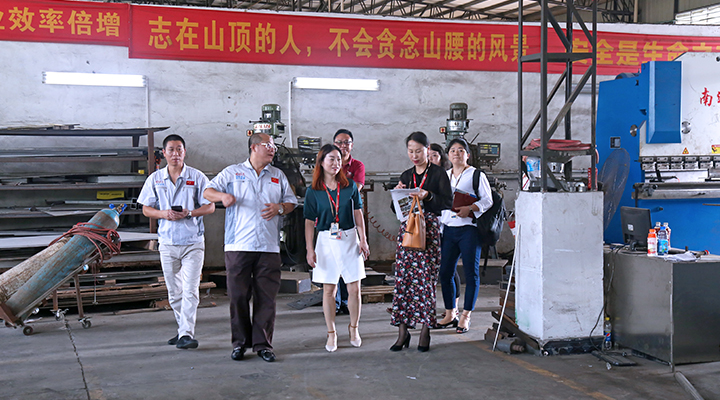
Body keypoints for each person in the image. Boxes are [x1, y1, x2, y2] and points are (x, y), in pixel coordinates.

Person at [203, 133, 298, 363]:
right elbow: (207, 192)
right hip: (238, 245)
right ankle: (240, 343)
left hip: (268, 246)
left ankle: (263, 345)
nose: (272, 149)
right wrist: (222, 196)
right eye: (268, 145)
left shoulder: (277, 175)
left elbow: (291, 202)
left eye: (273, 145)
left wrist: (280, 208)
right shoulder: (232, 172)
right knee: (238, 296)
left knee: (267, 298)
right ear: (254, 147)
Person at [138, 134, 215, 350]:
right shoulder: (155, 179)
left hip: (192, 242)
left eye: (179, 149)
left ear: (184, 152)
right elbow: (146, 209)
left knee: (190, 290)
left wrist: (190, 212)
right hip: (168, 242)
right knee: (174, 292)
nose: (175, 154)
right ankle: (183, 330)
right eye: (171, 150)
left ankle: (186, 334)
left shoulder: (197, 177)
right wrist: (163, 214)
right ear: (164, 153)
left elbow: (210, 206)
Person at [304, 144, 370, 352]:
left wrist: (363, 239)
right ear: (321, 162)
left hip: (349, 238)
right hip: (325, 240)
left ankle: (354, 328)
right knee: (329, 290)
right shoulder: (313, 191)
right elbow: (308, 222)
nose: (336, 163)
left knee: (354, 288)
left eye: (339, 160)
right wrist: (309, 249)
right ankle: (331, 332)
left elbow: (358, 213)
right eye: (331, 159)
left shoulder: (349, 186)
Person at [390, 131, 452, 352]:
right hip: (408, 230)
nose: (414, 155)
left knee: (426, 281)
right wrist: (398, 194)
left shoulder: (438, 174)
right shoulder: (406, 175)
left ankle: (425, 330)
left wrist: (429, 196)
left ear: (428, 149)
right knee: (403, 280)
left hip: (428, 231)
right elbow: (396, 209)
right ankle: (402, 331)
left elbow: (447, 202)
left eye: (418, 151)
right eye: (411, 151)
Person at [437, 138, 493, 333]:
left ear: (467, 155)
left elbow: (488, 200)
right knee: (445, 272)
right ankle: (450, 312)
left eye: (461, 150)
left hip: (469, 229)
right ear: (448, 155)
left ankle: (466, 315)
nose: (456, 153)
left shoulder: (476, 175)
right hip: (448, 230)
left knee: (471, 273)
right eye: (453, 150)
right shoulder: (444, 176)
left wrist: (470, 208)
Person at [333, 129, 366, 316]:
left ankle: (346, 301)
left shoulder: (357, 166)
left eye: (346, 142)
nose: (343, 146)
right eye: (339, 142)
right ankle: (335, 302)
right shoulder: (327, 165)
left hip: (350, 219)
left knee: (349, 259)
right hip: (331, 221)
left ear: (352, 145)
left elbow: (356, 189)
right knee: (334, 259)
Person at [428, 142, 461, 319]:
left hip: (447, 225)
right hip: (430, 226)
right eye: (428, 156)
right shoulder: (426, 177)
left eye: (434, 155)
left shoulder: (446, 176)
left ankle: (454, 307)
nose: (430, 159)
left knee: (448, 268)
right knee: (442, 268)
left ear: (442, 157)